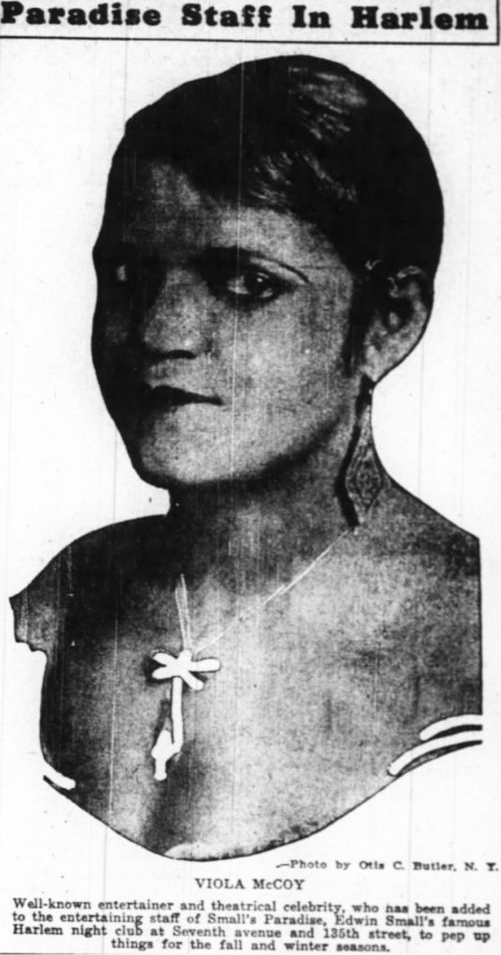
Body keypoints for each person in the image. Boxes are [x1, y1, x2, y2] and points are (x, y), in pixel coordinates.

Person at [11, 55, 481, 860]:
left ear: (388, 322)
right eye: (126, 276)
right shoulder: (64, 595)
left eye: (245, 284)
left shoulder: (468, 624)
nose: (158, 331)